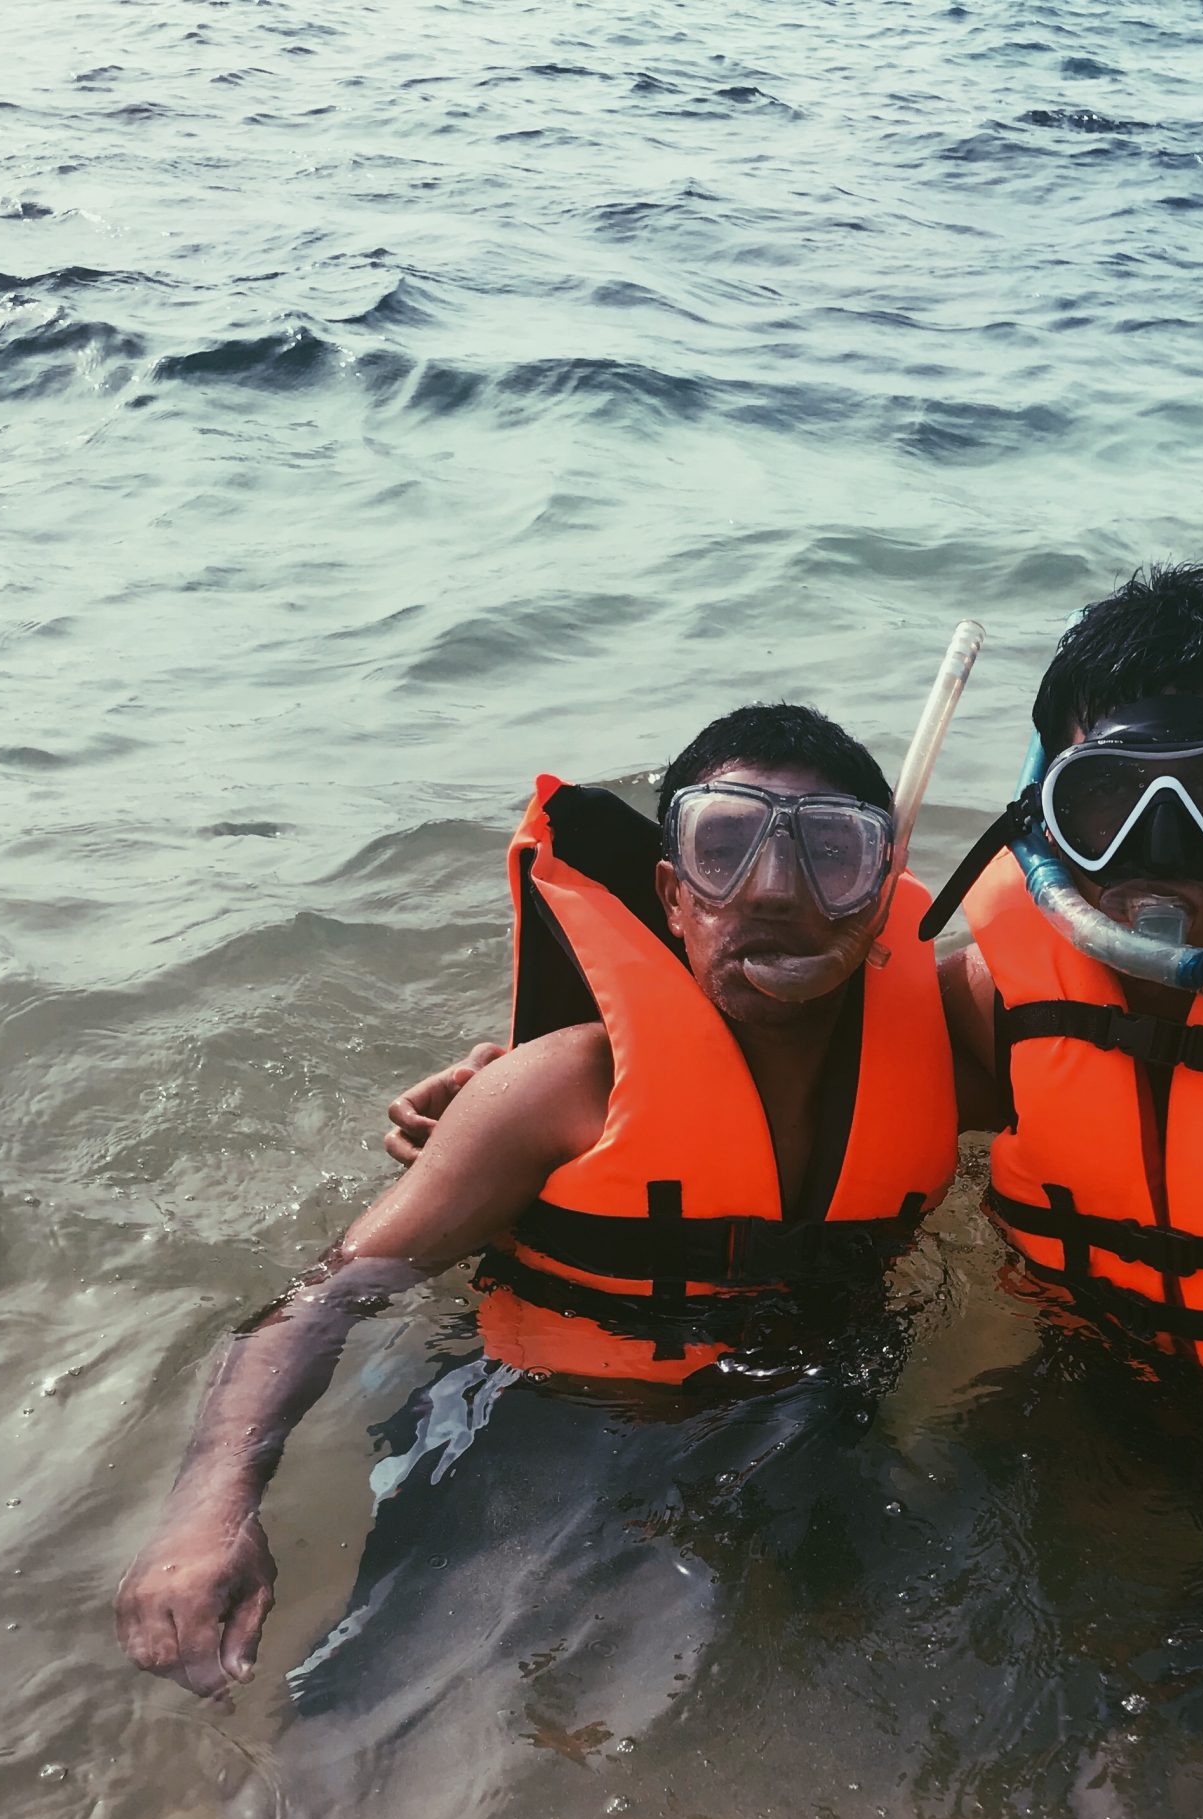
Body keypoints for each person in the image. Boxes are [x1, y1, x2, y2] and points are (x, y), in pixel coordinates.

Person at [395, 570, 1203, 1819]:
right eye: (1107, 799)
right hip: (1092, 1406)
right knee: (889, 1660)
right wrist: (521, 1077)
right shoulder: (994, 1012)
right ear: (1043, 813)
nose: (1158, 851)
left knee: (1154, 1804)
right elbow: (777, 1029)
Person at [115, 703, 959, 1699]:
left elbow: (1092, 1023)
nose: (775, 889)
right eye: (724, 848)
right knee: (391, 1722)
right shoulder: (557, 1091)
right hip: (550, 1420)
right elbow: (325, 1297)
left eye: (831, 852)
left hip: (810, 1406)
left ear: (879, 893)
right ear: (671, 896)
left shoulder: (949, 1052)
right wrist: (209, 1508)